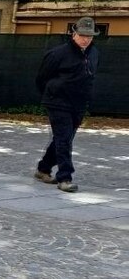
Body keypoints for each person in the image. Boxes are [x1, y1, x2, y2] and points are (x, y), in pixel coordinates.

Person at [34, 16, 97, 193]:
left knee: (64, 138)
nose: (86, 39)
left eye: (90, 36)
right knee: (64, 139)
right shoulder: (58, 53)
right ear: (74, 34)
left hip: (79, 103)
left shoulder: (93, 53)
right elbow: (42, 79)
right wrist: (53, 94)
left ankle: (43, 168)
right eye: (83, 35)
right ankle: (65, 177)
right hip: (58, 102)